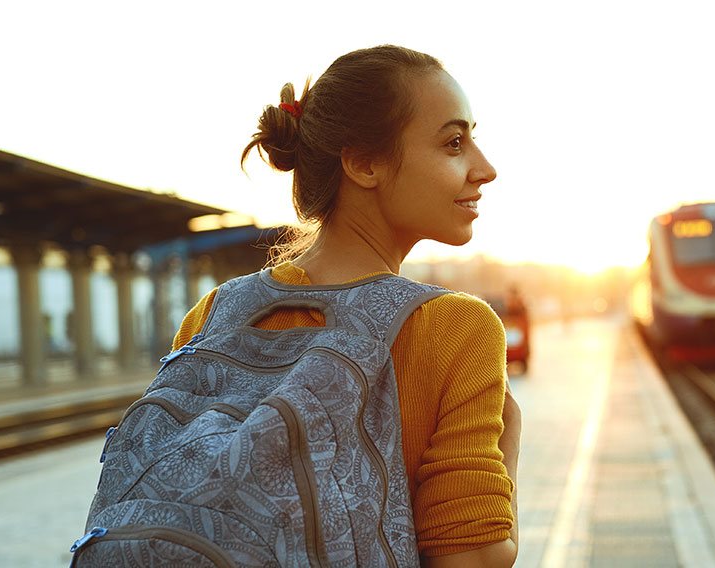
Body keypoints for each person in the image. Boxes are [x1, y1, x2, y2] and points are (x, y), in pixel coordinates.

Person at [171, 45, 520, 567]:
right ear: (362, 163)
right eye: (454, 143)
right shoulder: (455, 328)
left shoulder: (214, 314)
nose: (485, 169)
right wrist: (508, 441)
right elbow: (472, 558)